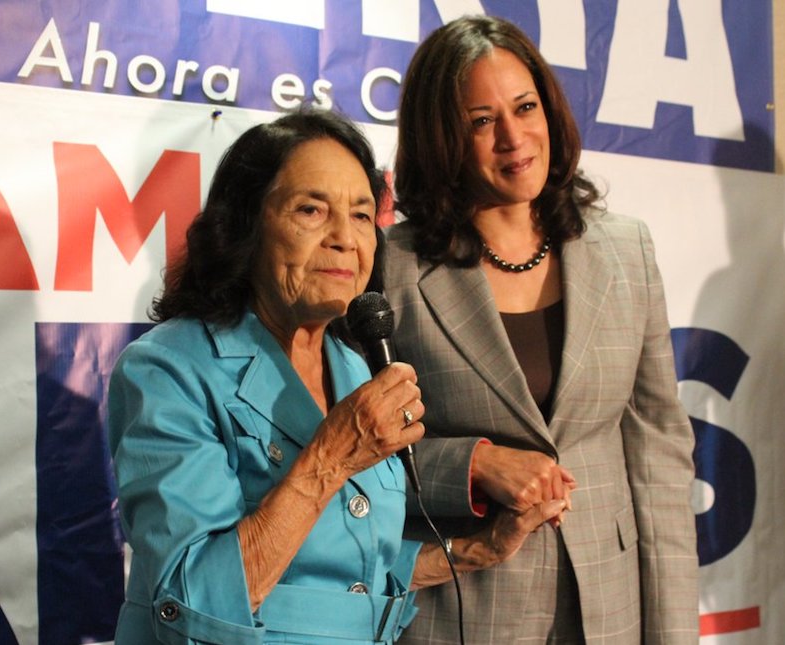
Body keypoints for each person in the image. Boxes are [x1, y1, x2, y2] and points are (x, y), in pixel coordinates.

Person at [107, 109, 567, 644]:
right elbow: (189, 604)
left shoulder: (352, 368)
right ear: (244, 226)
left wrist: (479, 549)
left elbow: (348, 574)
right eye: (311, 210)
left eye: (362, 215)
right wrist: (330, 458)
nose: (345, 239)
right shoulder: (168, 369)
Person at [383, 16, 699, 644]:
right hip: (461, 606)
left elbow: (658, 452)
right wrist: (473, 464)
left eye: (525, 107)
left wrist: (671, 633)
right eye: (480, 121)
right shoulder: (390, 266)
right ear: (441, 138)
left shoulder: (624, 248)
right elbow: (353, 451)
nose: (513, 137)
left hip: (608, 607)